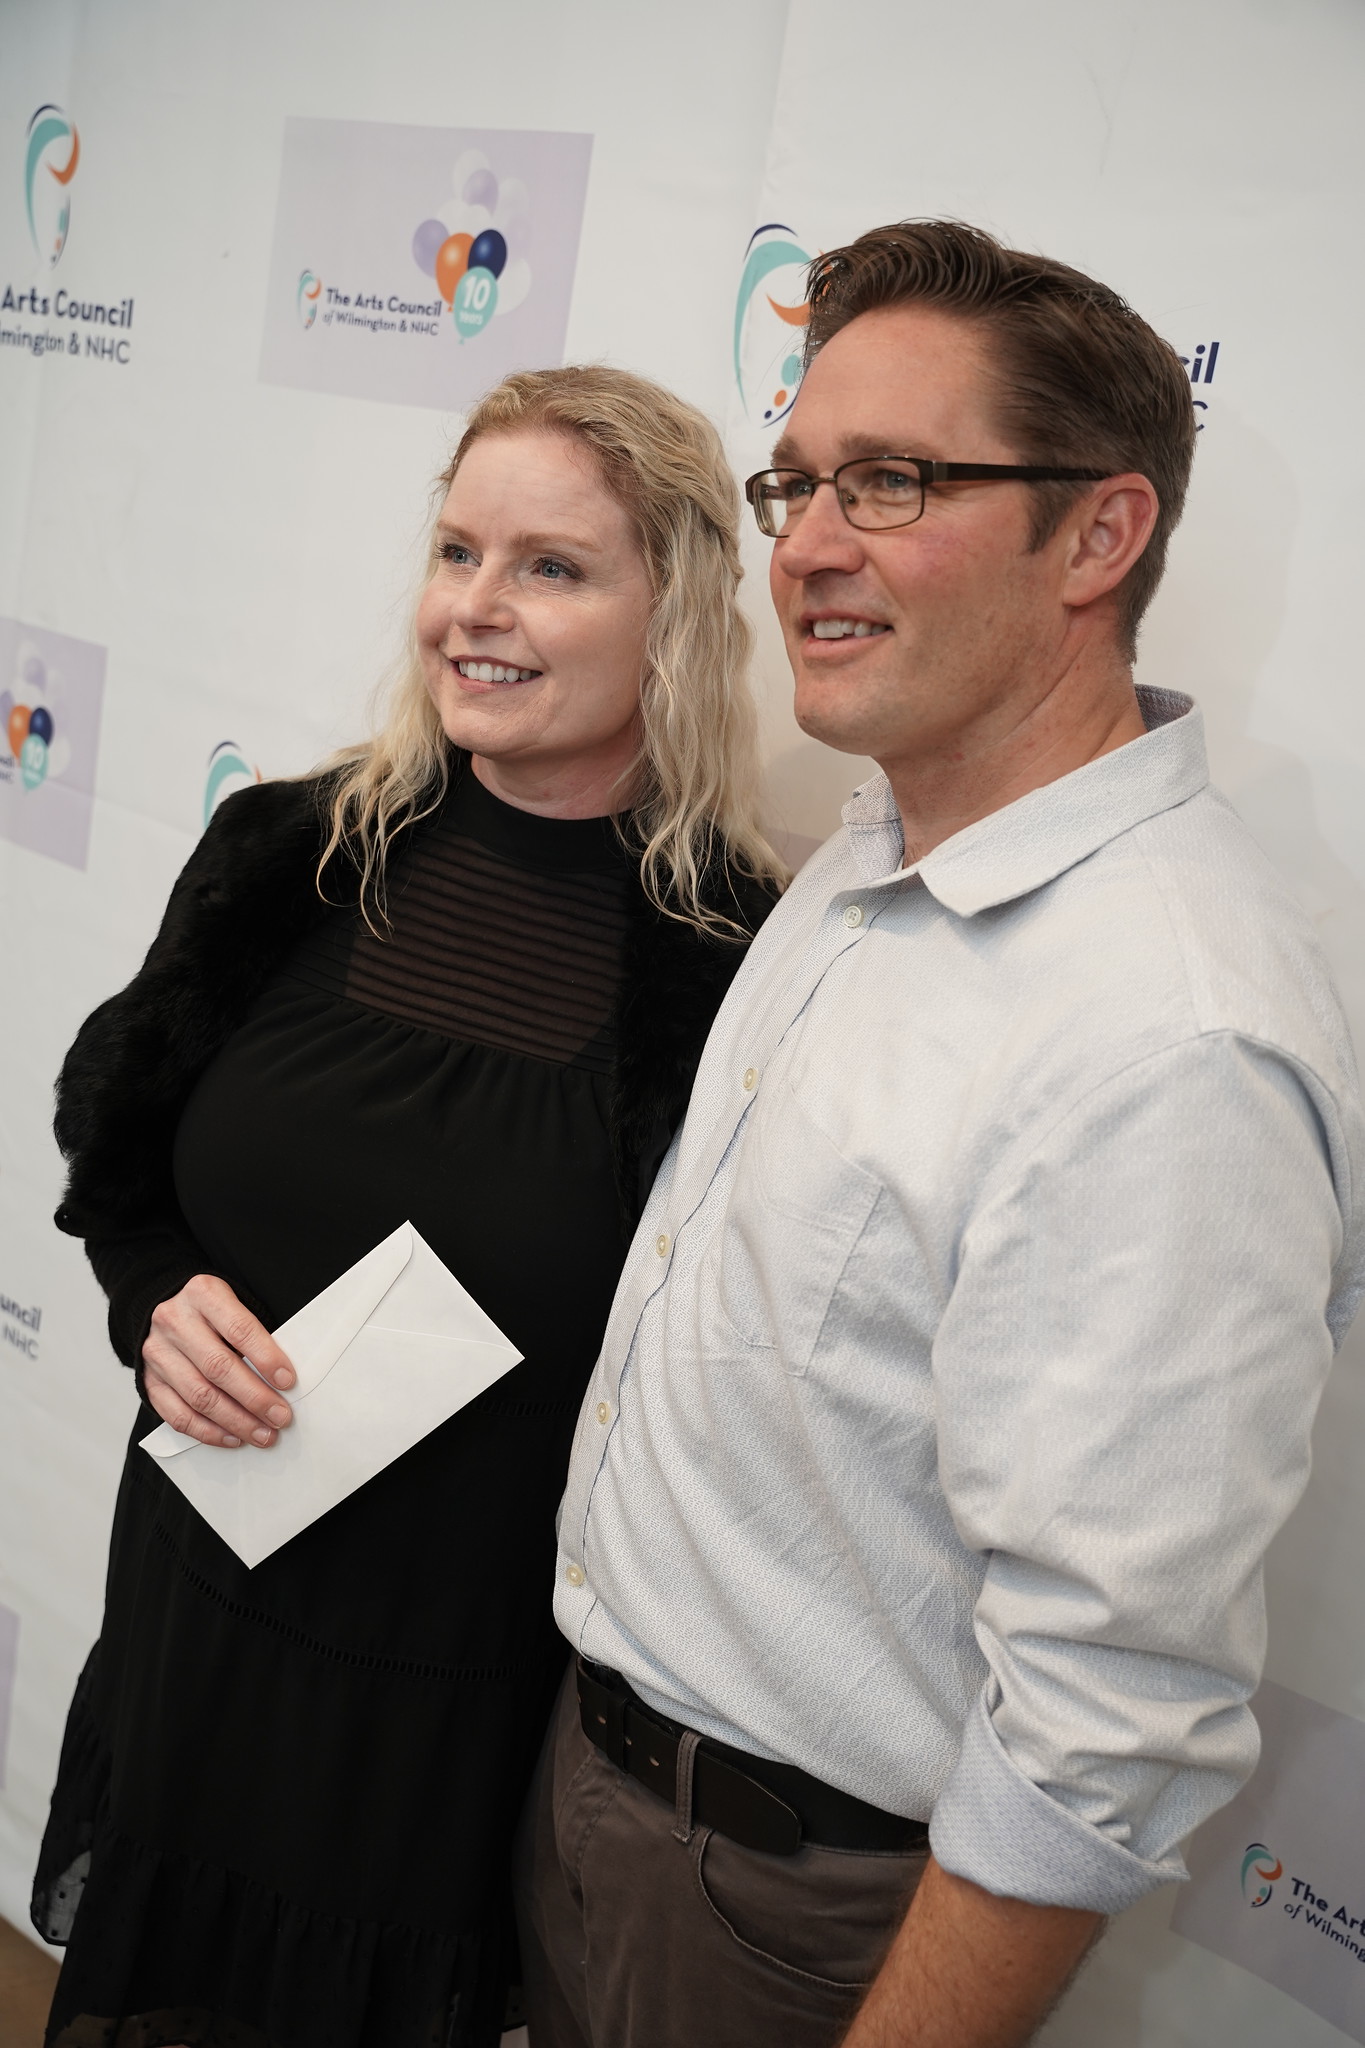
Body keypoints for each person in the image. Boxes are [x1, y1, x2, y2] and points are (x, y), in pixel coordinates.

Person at [519, 222, 1365, 2048]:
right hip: (597, 1798)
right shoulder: (873, 845)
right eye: (798, 483)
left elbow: (1106, 1717)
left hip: (783, 1919)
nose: (807, 545)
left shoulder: (1172, 1034)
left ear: (1100, 536)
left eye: (892, 482)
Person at [32, 364, 784, 2048]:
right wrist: (157, 1304)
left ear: (672, 610)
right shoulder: (283, 855)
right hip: (202, 1615)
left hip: (459, 1704)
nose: (475, 609)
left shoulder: (737, 964)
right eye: (457, 552)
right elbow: (122, 1167)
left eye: (550, 567)